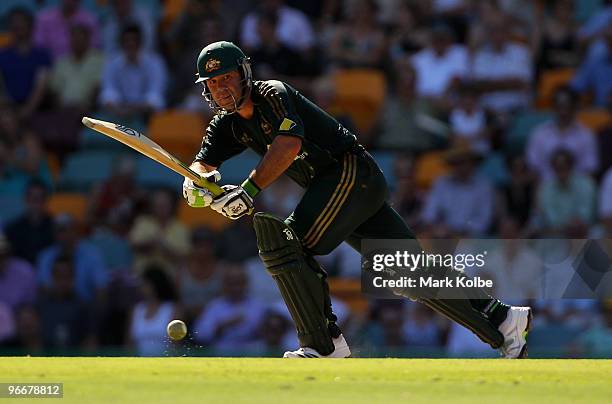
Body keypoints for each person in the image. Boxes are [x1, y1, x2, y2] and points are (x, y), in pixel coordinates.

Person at [181, 41, 532, 359]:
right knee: (407, 272)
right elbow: (201, 165)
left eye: (227, 77)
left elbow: (289, 145)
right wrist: (197, 185)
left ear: (244, 74)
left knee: (285, 245)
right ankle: (503, 319)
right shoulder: (224, 124)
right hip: (340, 188)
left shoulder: (272, 94)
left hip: (348, 172)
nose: (221, 88)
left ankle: (323, 344)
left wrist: (248, 190)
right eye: (212, 83)